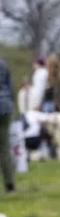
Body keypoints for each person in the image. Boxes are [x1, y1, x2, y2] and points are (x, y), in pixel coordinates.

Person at [0, 58, 14, 192]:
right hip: (5, 106)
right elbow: (11, 87)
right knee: (4, 147)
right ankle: (9, 184)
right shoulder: (3, 64)